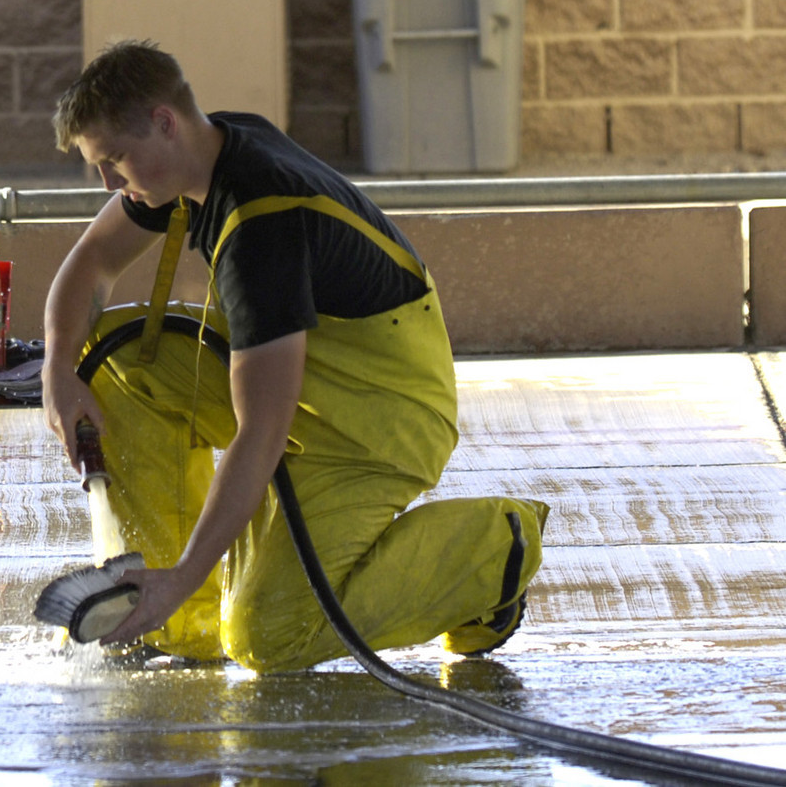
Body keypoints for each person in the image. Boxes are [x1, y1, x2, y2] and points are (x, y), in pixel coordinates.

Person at [40, 39, 547, 671]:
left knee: (267, 638)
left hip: (376, 418)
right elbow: (89, 266)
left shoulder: (262, 227)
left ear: (163, 124)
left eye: (114, 161)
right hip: (312, 376)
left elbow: (261, 435)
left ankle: (494, 551)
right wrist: (57, 371)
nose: (109, 184)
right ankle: (177, 614)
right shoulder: (200, 155)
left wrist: (193, 564)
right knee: (117, 365)